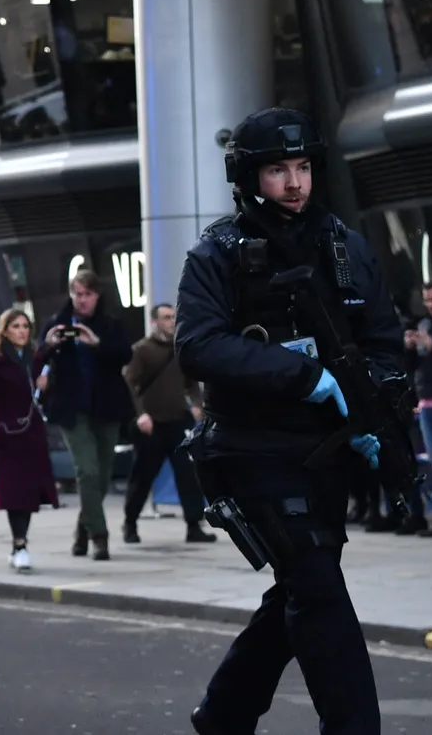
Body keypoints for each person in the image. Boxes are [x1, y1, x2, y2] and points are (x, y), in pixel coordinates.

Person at [176, 107, 395, 734]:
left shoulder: (344, 246)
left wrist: (377, 401)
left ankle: (224, 715)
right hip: (251, 451)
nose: (295, 183)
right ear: (249, 177)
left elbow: (382, 338)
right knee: (318, 589)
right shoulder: (217, 252)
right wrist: (304, 376)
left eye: (302, 167)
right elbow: (199, 345)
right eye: (278, 169)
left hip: (326, 451)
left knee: (302, 586)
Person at [37, 269, 135, 560]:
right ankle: (99, 537)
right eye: (77, 294)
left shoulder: (110, 324)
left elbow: (126, 355)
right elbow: (38, 356)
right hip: (71, 409)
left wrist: (97, 344)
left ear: (97, 296)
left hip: (107, 407)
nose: (82, 300)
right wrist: (50, 345)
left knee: (101, 477)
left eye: (87, 295)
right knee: (87, 470)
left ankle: (82, 531)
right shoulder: (56, 323)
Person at [0, 308, 60, 573]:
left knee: (30, 494)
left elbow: (42, 393)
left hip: (31, 433)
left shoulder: (35, 358)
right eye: (16, 327)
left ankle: (19, 544)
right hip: (3, 436)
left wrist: (46, 384)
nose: (21, 331)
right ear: (5, 331)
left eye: (25, 327)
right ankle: (20, 545)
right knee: (13, 494)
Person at [121, 303, 217, 545]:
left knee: (188, 473)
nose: (171, 321)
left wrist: (196, 404)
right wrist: (140, 414)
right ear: (154, 322)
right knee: (143, 475)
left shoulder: (181, 348)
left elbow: (192, 382)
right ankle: (130, 523)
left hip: (178, 420)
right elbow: (129, 385)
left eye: (173, 317)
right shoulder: (142, 350)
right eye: (165, 317)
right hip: (151, 423)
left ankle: (194, 525)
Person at [405, 282, 432, 537]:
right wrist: (409, 347)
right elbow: (414, 364)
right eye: (428, 300)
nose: (431, 305)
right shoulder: (425, 325)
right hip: (427, 401)